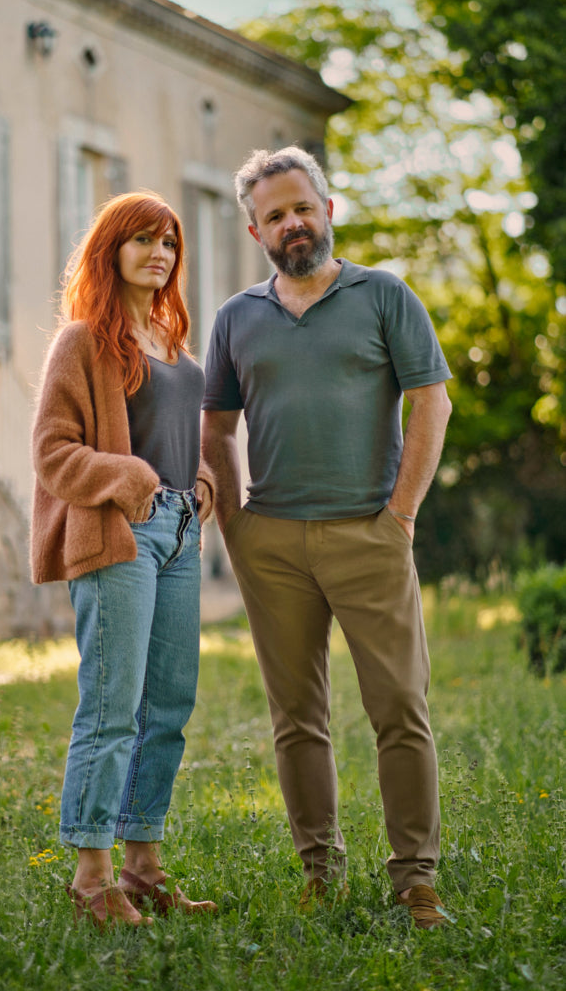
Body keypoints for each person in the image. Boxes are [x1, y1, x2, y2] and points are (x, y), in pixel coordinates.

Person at [201, 147, 453, 930]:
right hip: (271, 544)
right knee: (296, 718)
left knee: (399, 706)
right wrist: (235, 524)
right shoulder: (235, 319)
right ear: (256, 231)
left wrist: (401, 515)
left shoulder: (383, 296)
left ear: (328, 209)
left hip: (369, 533)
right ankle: (320, 871)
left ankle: (414, 880)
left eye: (301, 207)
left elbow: (431, 402)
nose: (292, 223)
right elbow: (216, 429)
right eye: (274, 215)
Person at [31, 191, 218, 928]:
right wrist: (128, 476)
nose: (158, 253)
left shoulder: (173, 342)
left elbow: (179, 433)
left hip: (179, 533)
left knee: (168, 706)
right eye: (141, 239)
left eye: (168, 242)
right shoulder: (83, 341)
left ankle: (142, 867)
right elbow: (53, 451)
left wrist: (201, 478)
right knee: (112, 707)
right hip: (119, 533)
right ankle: (91, 877)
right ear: (110, 251)